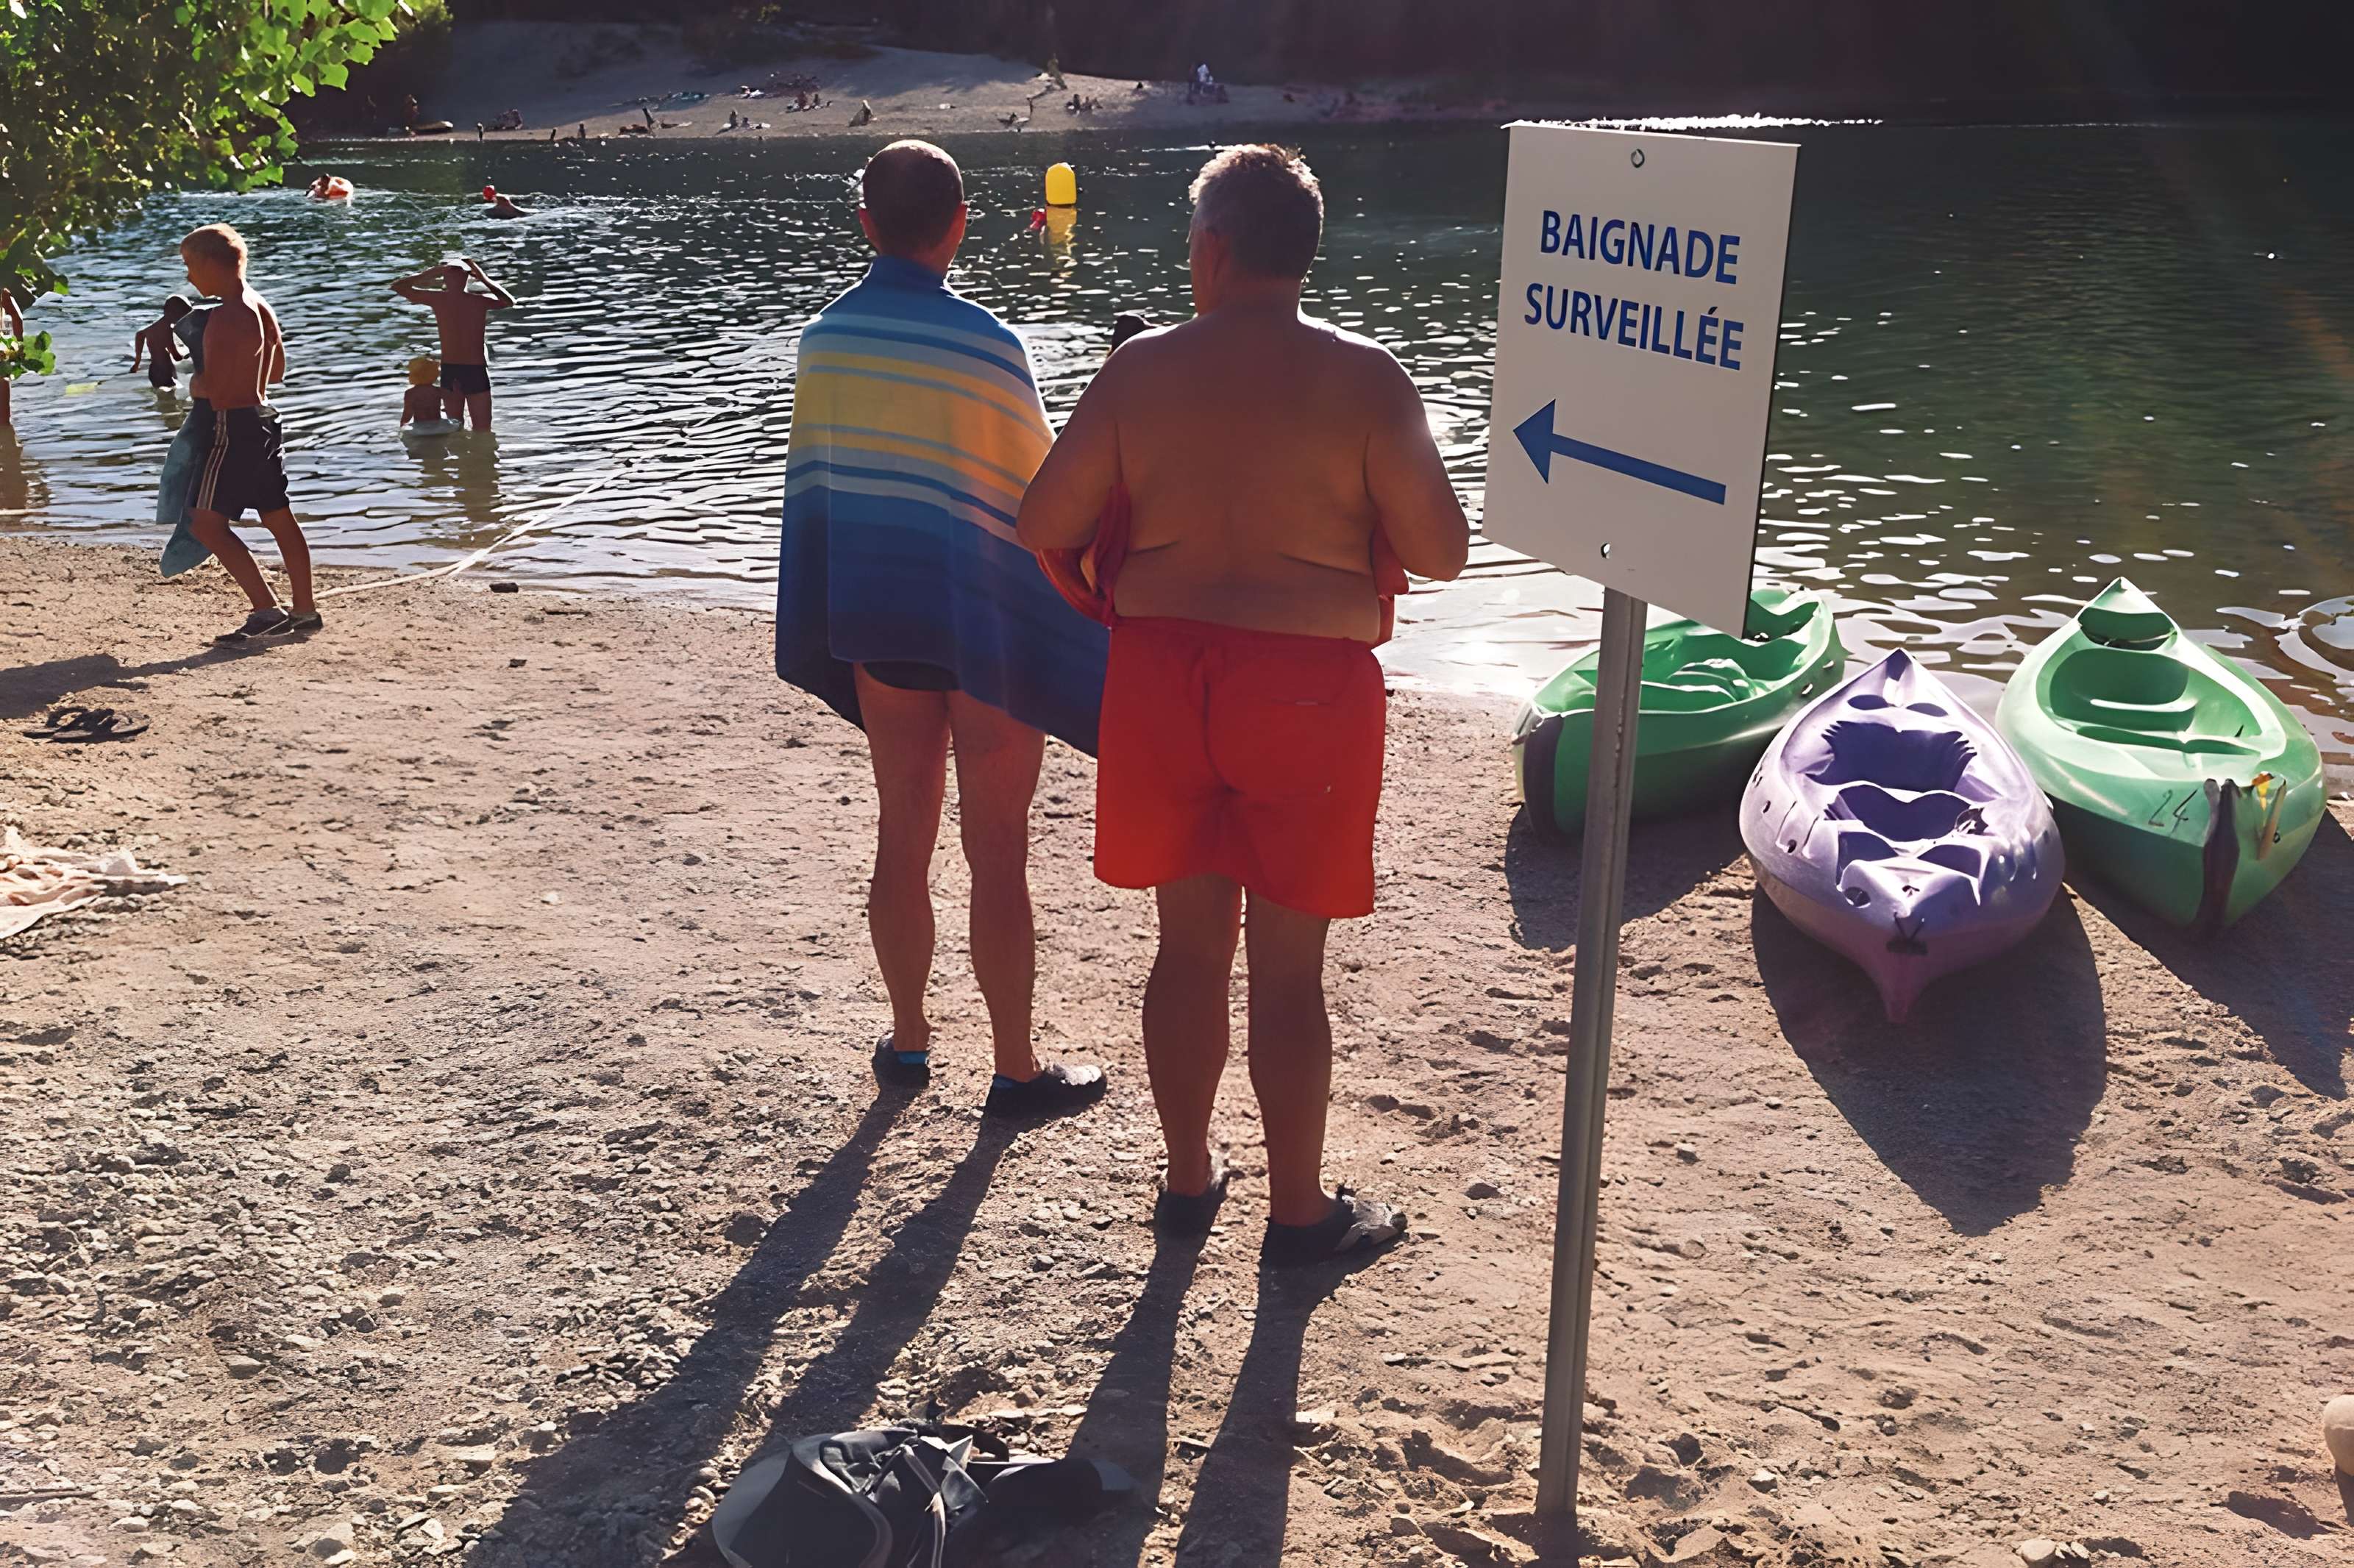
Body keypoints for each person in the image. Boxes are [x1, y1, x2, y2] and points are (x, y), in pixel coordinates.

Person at [1015, 146, 1470, 1261]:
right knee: (1287, 965)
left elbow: (1044, 522)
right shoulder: (1370, 379)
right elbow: (1443, 553)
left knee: (1186, 949)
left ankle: (1185, 1181)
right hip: (1306, 695)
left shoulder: (1140, 372)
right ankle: (1297, 1212)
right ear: (1300, 252)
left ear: (1211, 251)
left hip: (1167, 681)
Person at [775, 140, 1109, 1118]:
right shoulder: (988, 346)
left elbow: (822, 497)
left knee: (902, 833)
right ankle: (1013, 1067)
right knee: (997, 847)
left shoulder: (824, 341)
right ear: (960, 225)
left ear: (866, 225)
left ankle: (910, 1044)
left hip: (883, 618)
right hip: (986, 628)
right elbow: (1040, 503)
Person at [176, 224, 322, 645]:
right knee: (278, 516)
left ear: (210, 263)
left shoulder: (222, 318)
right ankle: (305, 610)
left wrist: (195, 382)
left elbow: (214, 391)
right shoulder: (260, 304)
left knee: (204, 523)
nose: (188, 277)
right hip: (263, 421)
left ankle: (265, 610)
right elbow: (276, 372)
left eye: (190, 266)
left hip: (232, 426)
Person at [389, 257, 514, 429]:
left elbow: (509, 302)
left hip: (471, 369)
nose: (455, 279)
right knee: (458, 428)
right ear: (445, 280)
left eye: (459, 275)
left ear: (466, 279)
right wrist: (429, 273)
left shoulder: (477, 300)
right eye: (450, 275)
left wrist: (484, 278)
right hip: (455, 369)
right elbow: (397, 287)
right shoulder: (440, 299)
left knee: (480, 429)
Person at [131, 296, 191, 388]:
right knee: (171, 399)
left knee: (163, 399)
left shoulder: (153, 328)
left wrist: (137, 362)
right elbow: (176, 357)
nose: (182, 321)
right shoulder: (167, 330)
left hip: (154, 370)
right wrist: (189, 355)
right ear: (174, 314)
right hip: (165, 370)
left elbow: (140, 335)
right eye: (182, 317)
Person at [400, 356, 444, 427]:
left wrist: (402, 424)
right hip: (437, 426)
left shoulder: (410, 393)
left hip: (420, 427)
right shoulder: (438, 391)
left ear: (413, 375)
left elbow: (407, 415)